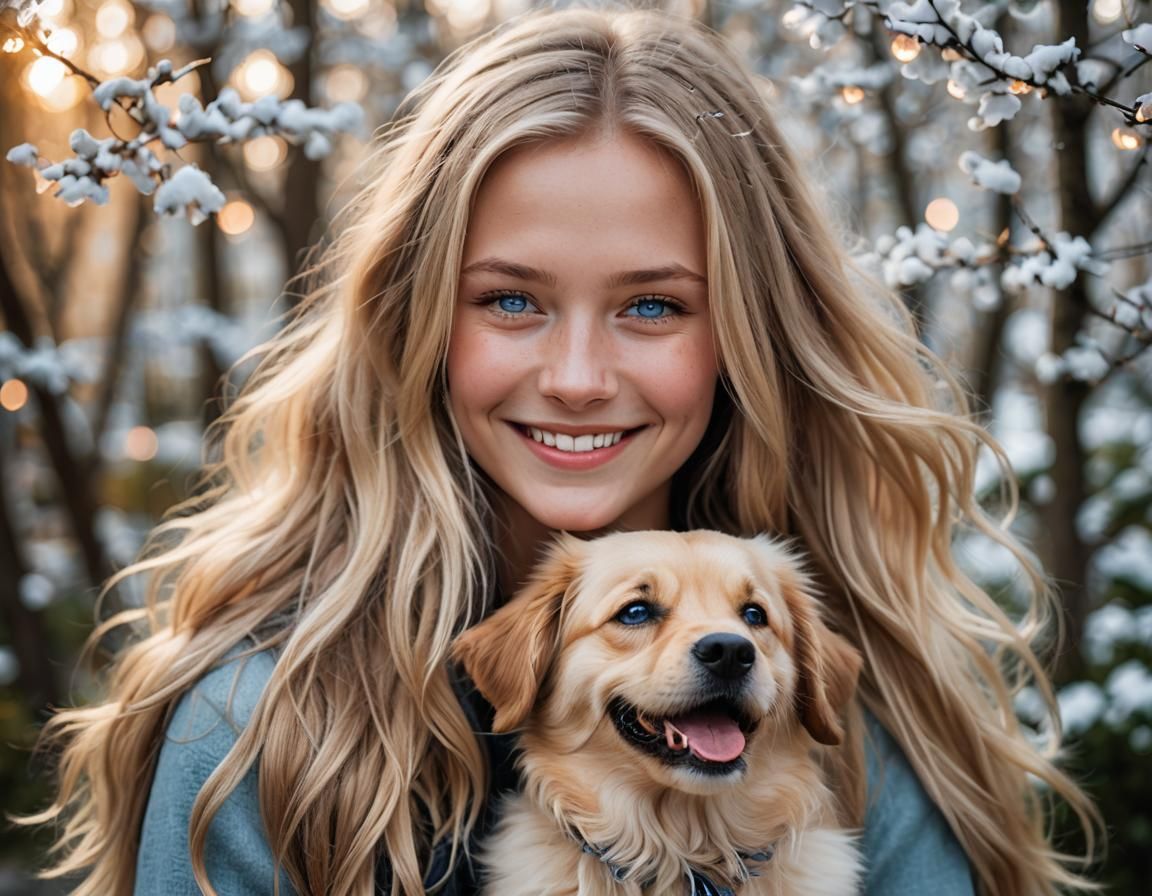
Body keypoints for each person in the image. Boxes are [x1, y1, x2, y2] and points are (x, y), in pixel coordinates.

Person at [28, 7, 1098, 896]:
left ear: (747, 331)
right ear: (414, 322)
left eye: (650, 304)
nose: (579, 375)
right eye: (509, 299)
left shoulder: (859, 719)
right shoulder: (257, 728)